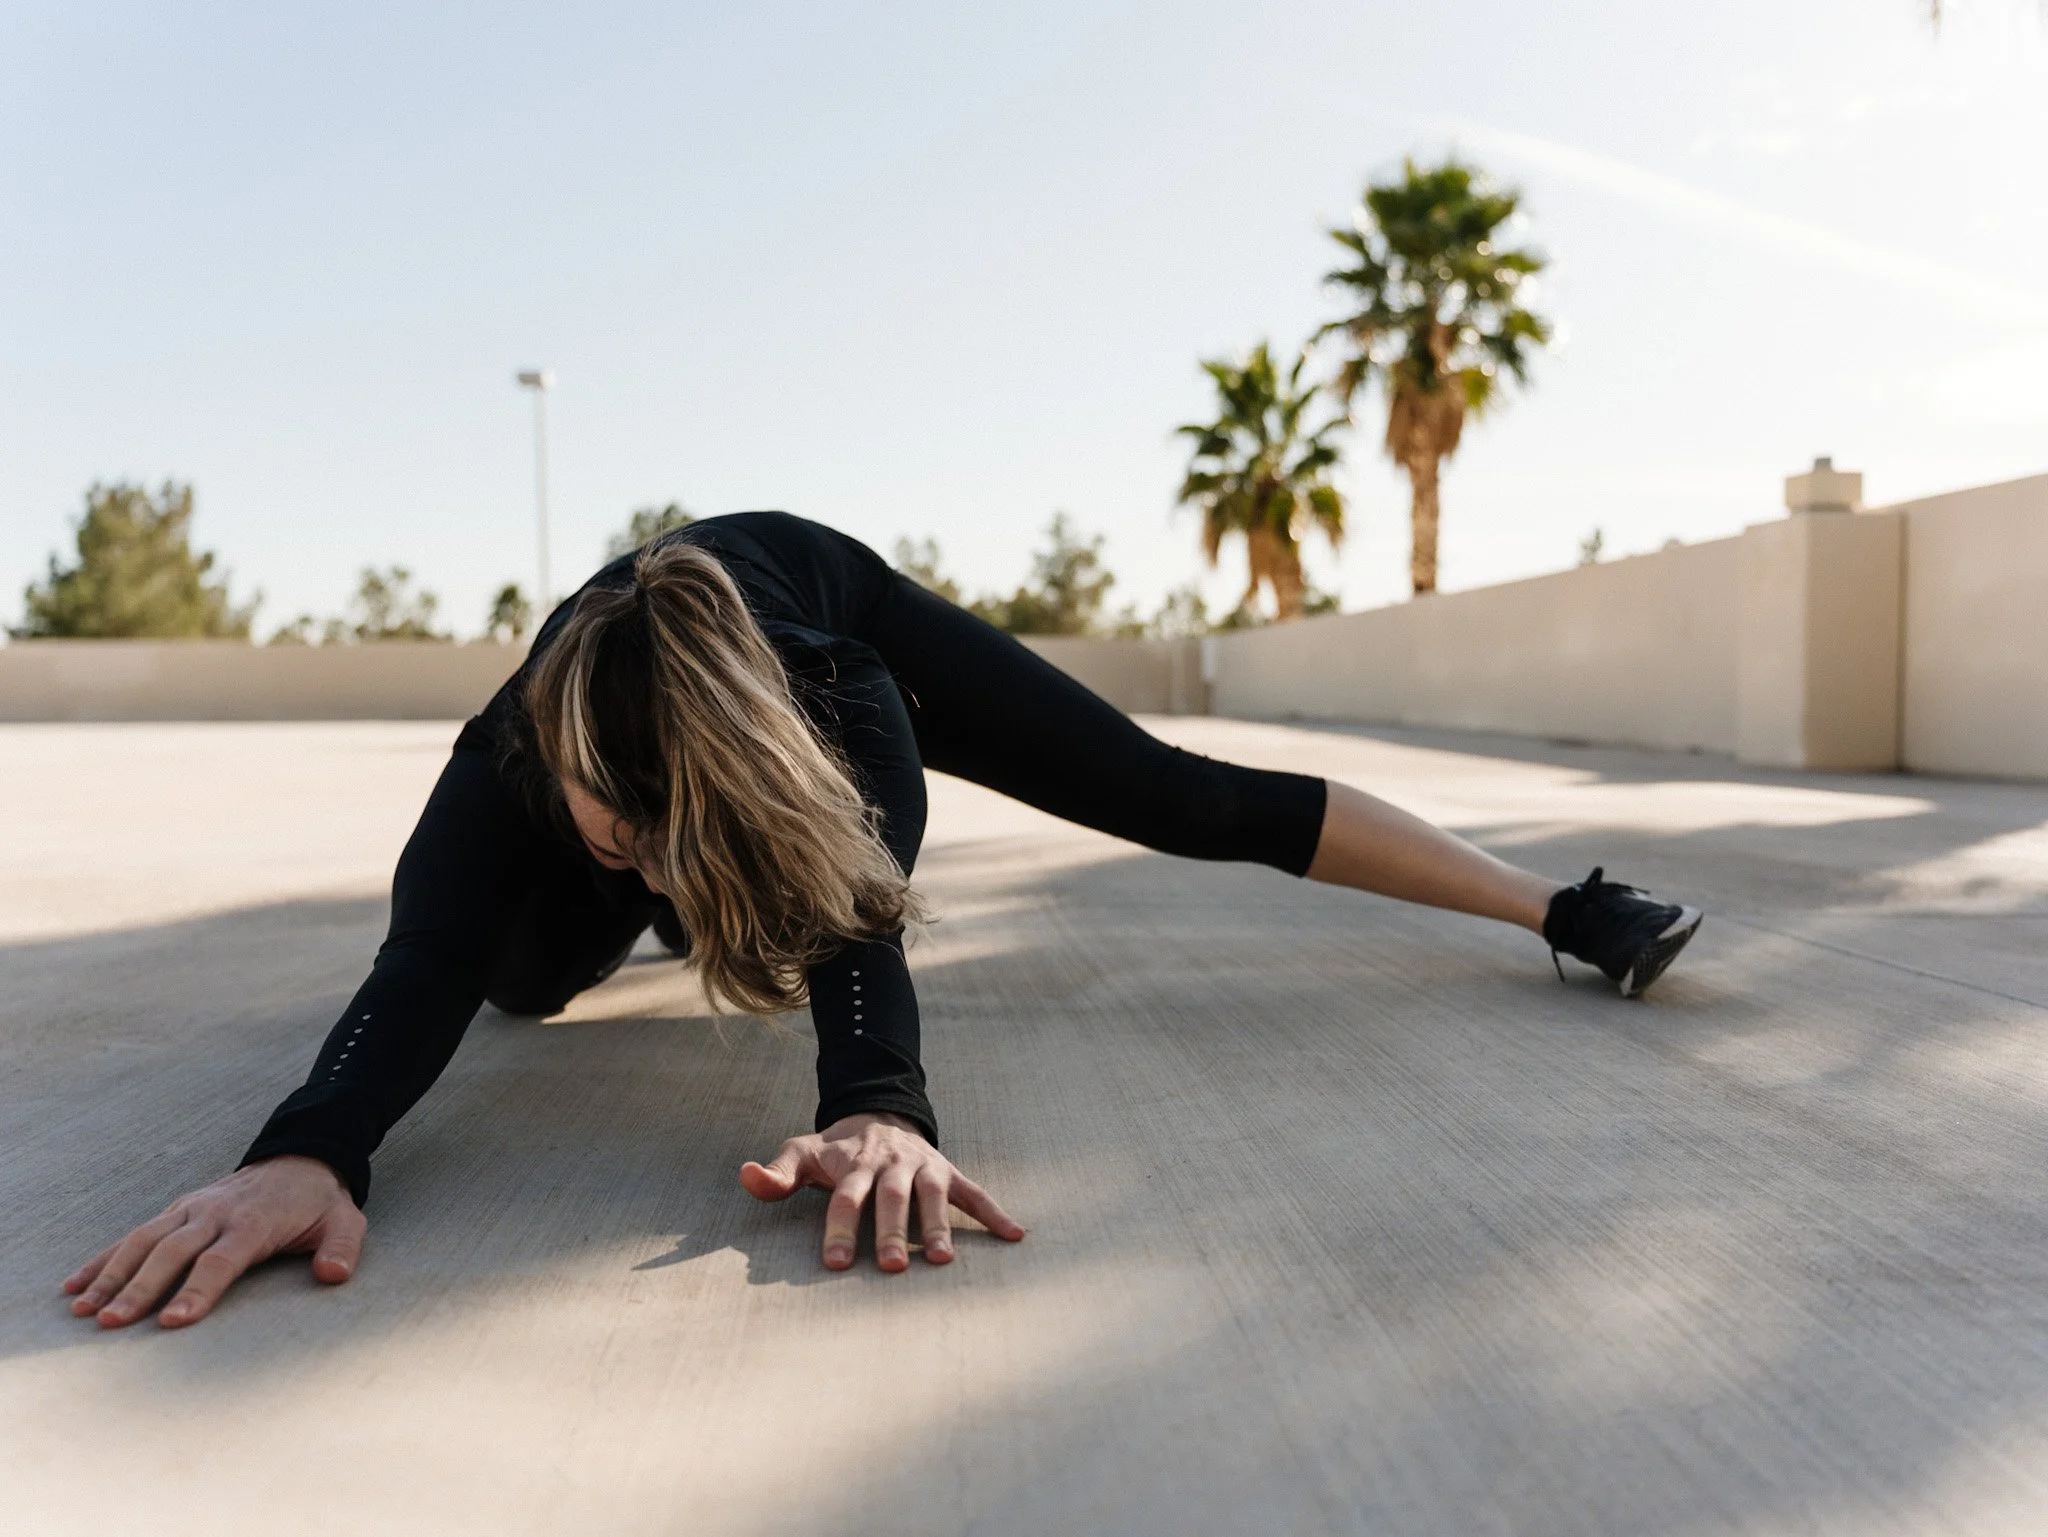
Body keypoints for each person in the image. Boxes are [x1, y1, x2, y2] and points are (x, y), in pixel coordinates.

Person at [63, 511, 1702, 1330]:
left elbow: (861, 947)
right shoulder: (512, 764)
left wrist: (877, 1109)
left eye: (669, 850)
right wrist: (309, 1146)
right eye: (615, 838)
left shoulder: (848, 721)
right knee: (527, 981)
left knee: (1172, 788)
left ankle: (1559, 903)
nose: (640, 871)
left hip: (813, 629)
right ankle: (612, 879)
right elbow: (417, 972)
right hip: (585, 788)